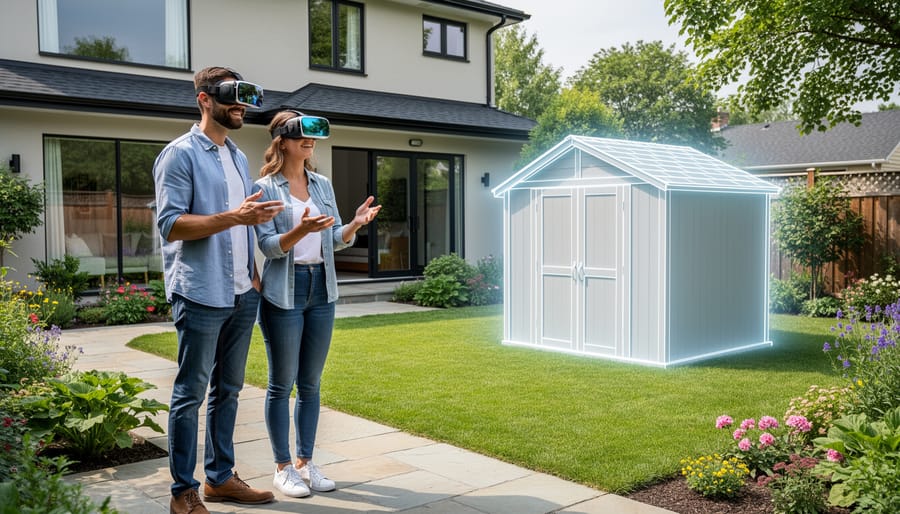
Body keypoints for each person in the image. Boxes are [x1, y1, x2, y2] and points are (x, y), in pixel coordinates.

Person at [154, 66, 283, 514]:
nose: (240, 105)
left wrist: (253, 273)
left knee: (228, 390)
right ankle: (181, 492)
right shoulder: (179, 155)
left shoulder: (237, 157)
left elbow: (242, 220)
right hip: (200, 292)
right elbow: (171, 226)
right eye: (231, 96)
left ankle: (220, 478)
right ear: (204, 100)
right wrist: (236, 217)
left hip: (241, 292)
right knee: (190, 394)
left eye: (244, 97)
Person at [253, 110, 381, 498]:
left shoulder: (322, 184)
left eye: (313, 138)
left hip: (321, 291)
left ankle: (306, 463)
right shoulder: (264, 188)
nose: (310, 142)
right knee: (281, 384)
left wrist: (355, 225)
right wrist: (299, 230)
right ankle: (282, 467)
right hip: (284, 292)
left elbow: (334, 238)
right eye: (302, 135)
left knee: (310, 384)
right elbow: (268, 247)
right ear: (283, 140)